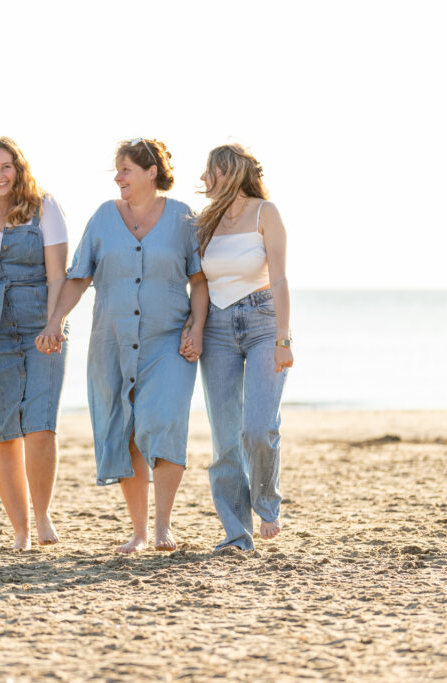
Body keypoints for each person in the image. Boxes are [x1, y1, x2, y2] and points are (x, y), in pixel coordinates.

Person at [37, 138, 207, 554]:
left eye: (126, 168)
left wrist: (198, 327)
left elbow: (200, 280)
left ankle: (163, 524)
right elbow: (78, 277)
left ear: (151, 172)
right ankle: (139, 531)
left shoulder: (184, 218)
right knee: (127, 432)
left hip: (169, 341)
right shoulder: (102, 217)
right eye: (117, 169)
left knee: (164, 422)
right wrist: (55, 320)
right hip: (111, 342)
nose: (118, 177)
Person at [180, 143, 293, 551]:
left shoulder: (266, 213)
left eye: (211, 172)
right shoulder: (202, 221)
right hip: (218, 330)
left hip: (263, 322)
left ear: (228, 173)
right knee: (225, 438)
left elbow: (278, 279)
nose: (205, 180)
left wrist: (284, 338)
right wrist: (195, 327)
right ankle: (236, 532)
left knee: (258, 428)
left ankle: (267, 502)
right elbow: (200, 284)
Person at [0, 137, 69, 550]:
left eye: (6, 166)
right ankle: (21, 531)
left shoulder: (45, 206)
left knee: (39, 424)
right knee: (1, 431)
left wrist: (55, 322)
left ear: (18, 169)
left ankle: (43, 517)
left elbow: (58, 273)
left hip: (40, 322)